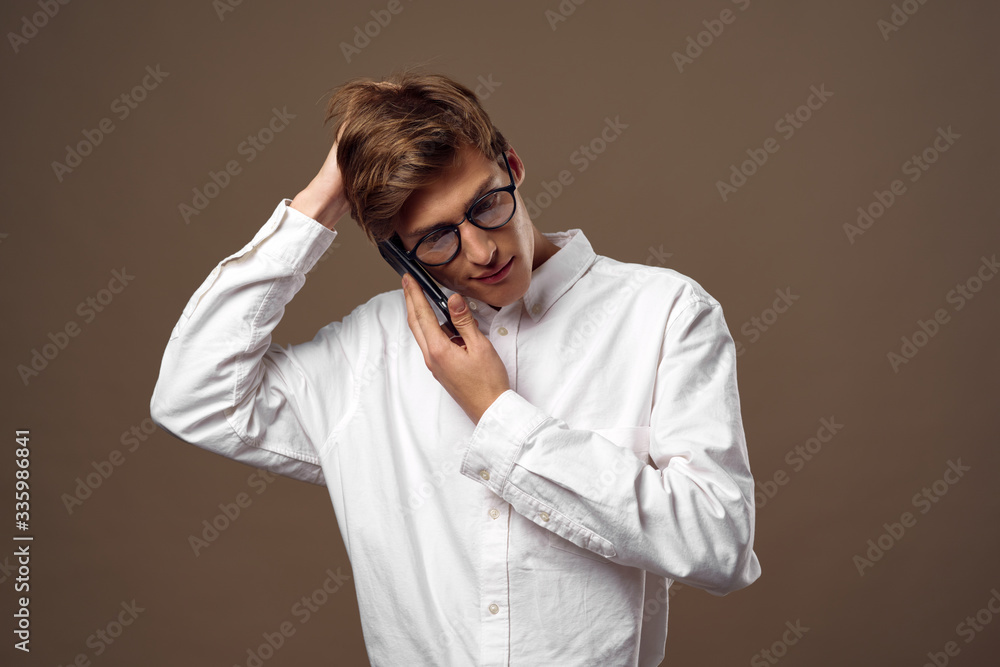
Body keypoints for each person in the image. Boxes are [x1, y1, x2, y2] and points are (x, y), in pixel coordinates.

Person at [150, 69, 762, 666]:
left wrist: (499, 415)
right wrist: (319, 203)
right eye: (436, 237)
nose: (482, 249)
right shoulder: (366, 350)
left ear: (514, 167)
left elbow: (720, 544)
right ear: (395, 250)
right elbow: (193, 395)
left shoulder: (664, 311)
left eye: (488, 205)